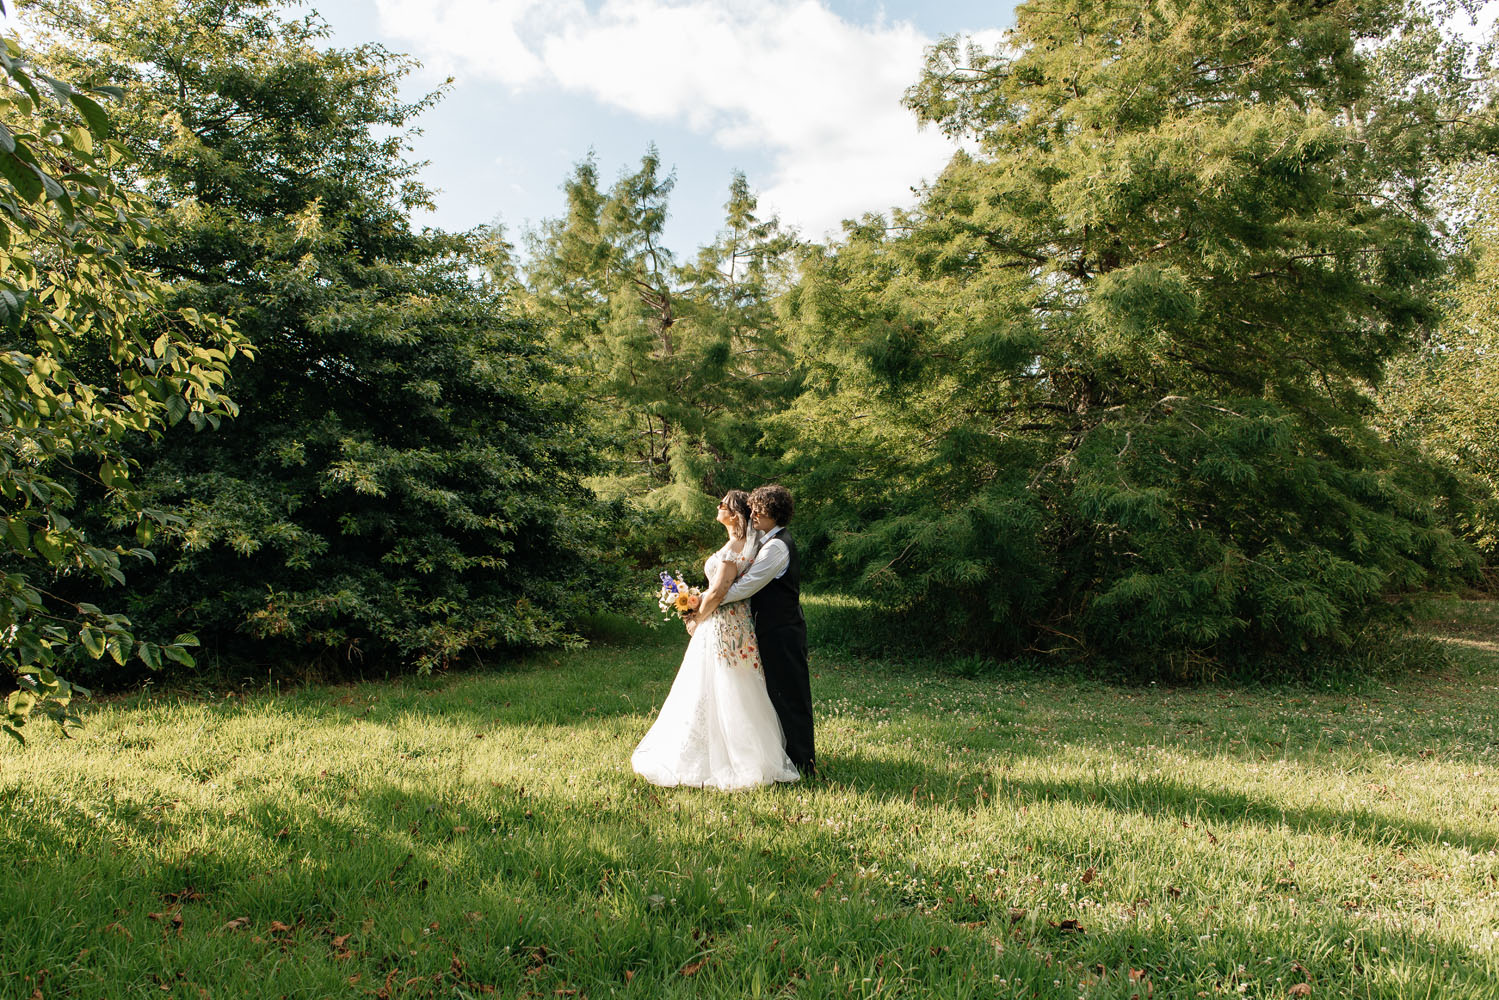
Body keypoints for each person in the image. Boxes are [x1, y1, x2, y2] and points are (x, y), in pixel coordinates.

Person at [630, 490, 800, 790]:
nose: (718, 507)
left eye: (723, 504)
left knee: (721, 685)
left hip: (721, 624)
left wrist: (698, 614)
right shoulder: (749, 544)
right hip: (732, 621)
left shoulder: (738, 546)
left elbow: (721, 591)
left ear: (734, 514)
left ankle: (728, 759)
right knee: (726, 684)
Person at [718, 484, 815, 777]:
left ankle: (803, 763)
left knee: (792, 695)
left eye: (761, 509)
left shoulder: (777, 547)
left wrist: (709, 600)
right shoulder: (764, 539)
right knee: (773, 696)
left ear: (775, 513)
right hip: (767, 629)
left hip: (783, 631)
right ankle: (783, 756)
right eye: (754, 508)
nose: (754, 513)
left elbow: (748, 585)